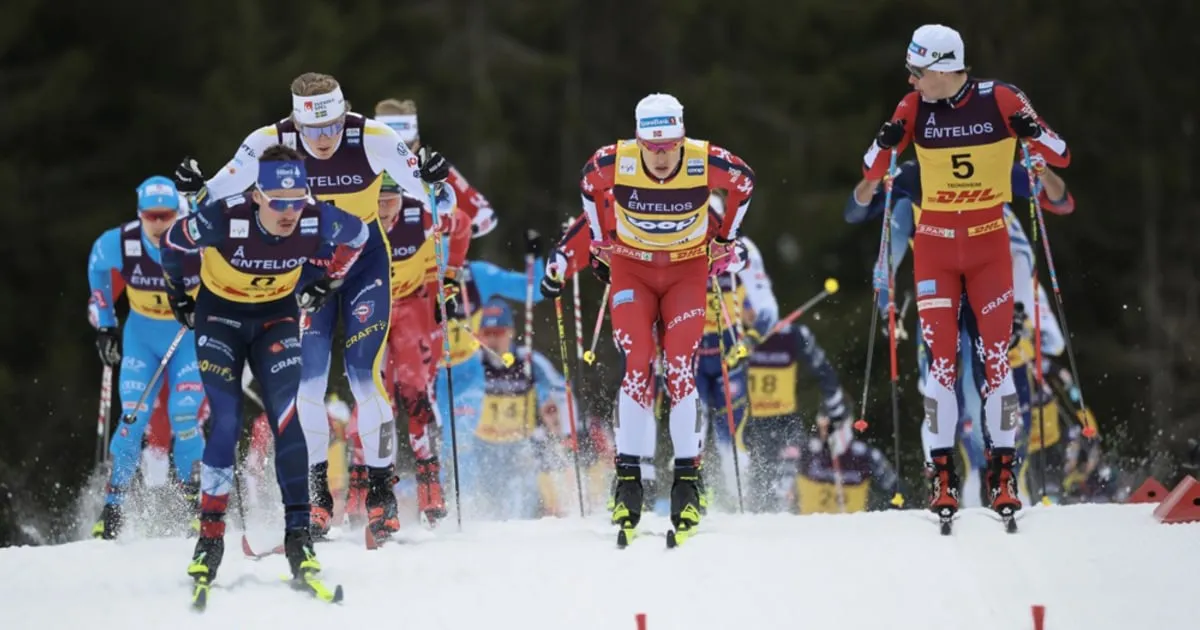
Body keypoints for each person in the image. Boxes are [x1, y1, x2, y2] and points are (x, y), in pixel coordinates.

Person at [173, 72, 454, 540]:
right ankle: (320, 496)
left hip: (364, 265)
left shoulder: (375, 139)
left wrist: (437, 180)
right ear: (295, 124)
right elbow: (210, 200)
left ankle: (382, 494)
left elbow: (438, 202)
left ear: (345, 114)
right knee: (308, 386)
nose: (324, 140)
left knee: (365, 376)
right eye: (312, 131)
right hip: (306, 272)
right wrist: (192, 186)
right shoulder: (268, 142)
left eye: (332, 127)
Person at [859, 24, 1069, 522]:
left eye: (919, 72)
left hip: (988, 246)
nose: (911, 81)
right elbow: (870, 170)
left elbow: (1061, 155)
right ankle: (943, 476)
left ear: (946, 68)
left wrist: (1032, 132)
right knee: (943, 368)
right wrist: (883, 142)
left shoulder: (1000, 98)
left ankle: (1003, 473)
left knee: (997, 362)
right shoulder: (913, 108)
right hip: (934, 249)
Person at [541, 93, 754, 545]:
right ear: (638, 140)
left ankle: (688, 482)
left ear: (682, 137)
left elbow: (745, 183)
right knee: (637, 364)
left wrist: (729, 241)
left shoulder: (703, 160)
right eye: (650, 148)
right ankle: (629, 481)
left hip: (686, 273)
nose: (659, 158)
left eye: (668, 147)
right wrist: (595, 244)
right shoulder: (612, 162)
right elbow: (588, 188)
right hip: (632, 272)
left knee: (679, 367)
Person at [162, 144, 369, 599]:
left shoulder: (315, 217)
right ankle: (209, 540)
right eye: (278, 202)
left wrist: (326, 277)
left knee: (288, 416)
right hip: (219, 321)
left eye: (296, 201)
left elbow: (358, 237)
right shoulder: (225, 216)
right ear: (257, 195)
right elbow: (173, 241)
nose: (289, 213)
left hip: (276, 320)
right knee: (228, 420)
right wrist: (178, 293)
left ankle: (299, 537)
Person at [847, 156, 1075, 507]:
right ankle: (945, 477)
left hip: (986, 290)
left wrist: (1019, 311)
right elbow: (874, 237)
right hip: (941, 294)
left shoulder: (987, 167)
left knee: (991, 382)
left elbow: (1025, 247)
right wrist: (886, 305)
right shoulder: (914, 186)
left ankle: (1007, 477)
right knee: (942, 383)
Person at [87, 176, 203, 539]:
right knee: (132, 418)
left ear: (176, 213)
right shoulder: (122, 242)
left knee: (184, 415)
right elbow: (97, 268)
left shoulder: (194, 239)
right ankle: (113, 508)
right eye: (150, 216)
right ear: (139, 214)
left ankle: (195, 505)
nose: (157, 223)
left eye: (165, 215)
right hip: (141, 337)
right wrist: (106, 325)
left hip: (187, 337)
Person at [376, 174, 468, 533]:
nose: (384, 208)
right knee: (375, 399)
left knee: (416, 393)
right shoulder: (359, 219)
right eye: (378, 200)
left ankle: (431, 486)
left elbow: (461, 225)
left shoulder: (419, 211)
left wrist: (450, 280)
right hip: (373, 309)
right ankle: (370, 491)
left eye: (391, 200)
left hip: (413, 308)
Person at [431, 237, 547, 511]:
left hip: (468, 371)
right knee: (439, 443)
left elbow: (533, 290)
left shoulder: (478, 275)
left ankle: (466, 506)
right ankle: (437, 503)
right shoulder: (423, 273)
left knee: (460, 439)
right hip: (432, 372)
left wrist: (536, 262)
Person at [462, 298, 569, 519]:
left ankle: (552, 511)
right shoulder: (472, 363)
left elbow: (559, 390)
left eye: (498, 332)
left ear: (510, 331)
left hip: (520, 444)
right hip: (483, 445)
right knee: (486, 501)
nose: (492, 339)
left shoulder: (528, 361)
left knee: (522, 498)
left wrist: (559, 425)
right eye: (487, 332)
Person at [740, 300, 849, 512]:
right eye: (745, 306)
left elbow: (823, 370)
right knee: (756, 492)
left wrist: (836, 406)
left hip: (785, 422)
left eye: (756, 306)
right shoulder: (737, 340)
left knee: (784, 490)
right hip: (752, 425)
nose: (750, 313)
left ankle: (788, 528)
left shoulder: (791, 334)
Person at [375, 98, 498, 238]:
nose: (400, 156)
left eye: (405, 147)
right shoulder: (363, 165)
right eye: (390, 148)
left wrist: (459, 229)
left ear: (416, 143)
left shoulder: (432, 169)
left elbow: (486, 214)